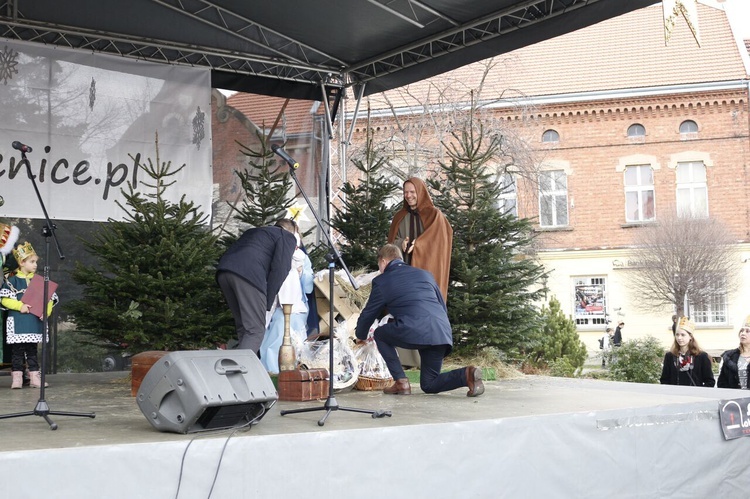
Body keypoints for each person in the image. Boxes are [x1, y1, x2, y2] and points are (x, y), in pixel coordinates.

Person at [354, 244, 483, 397]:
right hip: (440, 331)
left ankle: (401, 382)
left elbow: (369, 313)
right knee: (429, 384)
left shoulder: (382, 281)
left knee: (380, 334)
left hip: (415, 329)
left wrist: (360, 336)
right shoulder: (425, 275)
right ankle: (467, 374)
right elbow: (441, 305)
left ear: (383, 261)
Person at [216, 220, 297, 355]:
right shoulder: (286, 235)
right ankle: (239, 370)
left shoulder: (254, 232)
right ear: (292, 230)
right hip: (249, 275)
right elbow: (281, 269)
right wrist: (268, 300)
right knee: (255, 330)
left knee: (244, 327)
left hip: (224, 272)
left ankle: (240, 368)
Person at [0, 242, 57, 389]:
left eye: (36, 262)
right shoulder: (12, 281)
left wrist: (46, 312)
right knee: (17, 351)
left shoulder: (39, 281)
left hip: (33, 322)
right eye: (32, 262)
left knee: (32, 350)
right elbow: (5, 300)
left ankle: (34, 378)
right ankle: (17, 378)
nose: (35, 265)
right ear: (22, 262)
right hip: (19, 321)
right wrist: (20, 306)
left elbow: (49, 298)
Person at [259, 221, 314, 373]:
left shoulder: (302, 257)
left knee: (293, 339)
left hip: (296, 307)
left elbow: (308, 286)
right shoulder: (271, 252)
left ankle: (291, 373)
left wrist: (301, 272)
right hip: (275, 305)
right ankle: (271, 373)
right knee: (273, 339)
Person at [387, 177, 453, 302]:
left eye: (412, 192)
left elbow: (441, 240)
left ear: (420, 192)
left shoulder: (434, 215)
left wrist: (418, 245)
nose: (408, 195)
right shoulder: (399, 217)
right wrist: (401, 243)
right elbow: (391, 243)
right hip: (404, 272)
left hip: (426, 270)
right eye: (406, 192)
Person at [659, 317, 715, 387]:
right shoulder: (670, 356)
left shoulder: (701, 356)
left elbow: (710, 381)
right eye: (677, 335)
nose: (679, 338)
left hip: (694, 396)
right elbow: (664, 380)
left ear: (690, 336)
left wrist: (699, 392)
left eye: (683, 335)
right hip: (675, 395)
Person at [717, 316, 750, 389]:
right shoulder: (730, 356)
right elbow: (722, 382)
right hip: (735, 398)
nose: (743, 333)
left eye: (747, 331)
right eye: (742, 331)